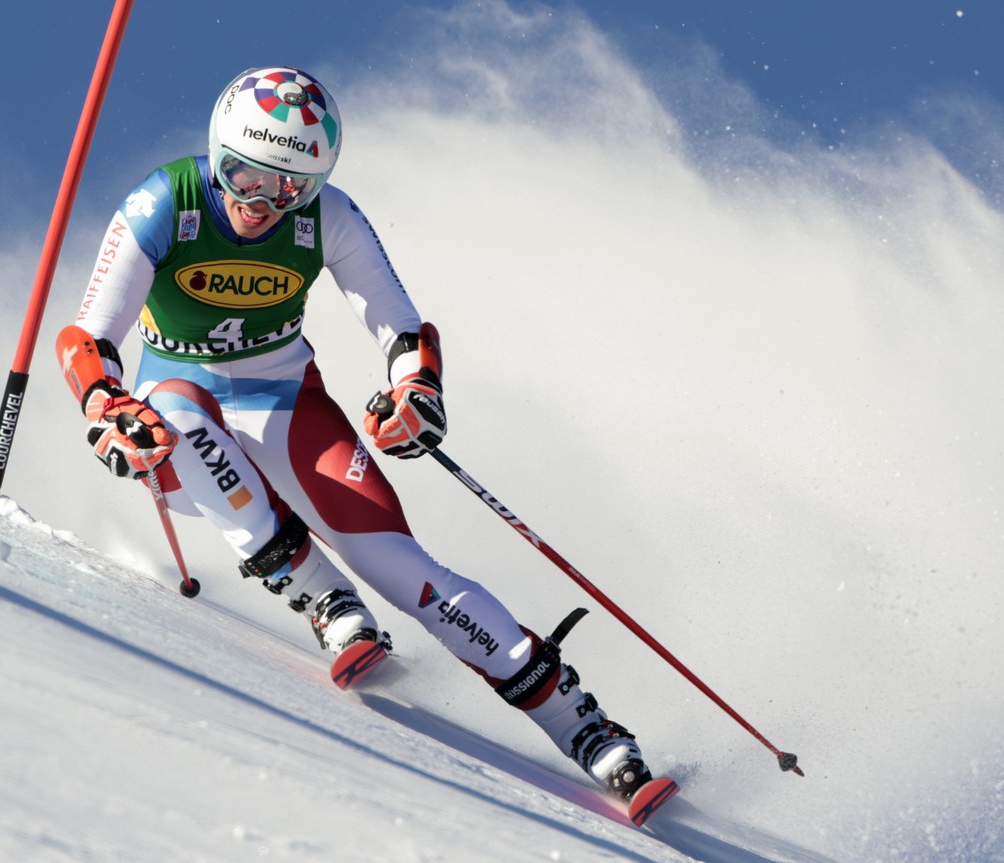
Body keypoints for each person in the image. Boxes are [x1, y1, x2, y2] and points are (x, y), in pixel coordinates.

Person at [54, 66, 661, 800]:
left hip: (283, 401)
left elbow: (400, 326)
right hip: (174, 417)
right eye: (243, 175)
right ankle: (320, 594)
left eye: (287, 188)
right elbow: (89, 339)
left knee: (400, 564)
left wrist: (416, 389)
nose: (260, 202)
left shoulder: (327, 218)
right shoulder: (164, 203)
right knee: (178, 416)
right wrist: (104, 406)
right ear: (217, 154)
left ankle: (583, 725)